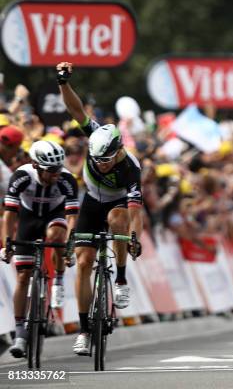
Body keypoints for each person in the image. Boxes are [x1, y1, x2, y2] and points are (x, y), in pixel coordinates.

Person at [56, 62, 143, 355]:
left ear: (119, 150)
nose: (100, 164)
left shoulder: (131, 168)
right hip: (92, 201)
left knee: (119, 219)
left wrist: (134, 238)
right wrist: (62, 83)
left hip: (117, 202)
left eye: (105, 160)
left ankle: (119, 279)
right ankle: (83, 329)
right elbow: (76, 110)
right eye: (96, 160)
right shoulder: (96, 136)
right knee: (82, 263)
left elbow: (135, 212)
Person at [0, 141, 78, 358]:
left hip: (55, 215)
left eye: (58, 168)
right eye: (51, 170)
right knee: (23, 277)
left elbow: (72, 217)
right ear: (35, 165)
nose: (56, 174)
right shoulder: (21, 177)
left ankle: (59, 279)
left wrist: (70, 246)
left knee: (56, 236)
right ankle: (20, 332)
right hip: (29, 218)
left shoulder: (67, 179)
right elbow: (9, 213)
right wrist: (7, 243)